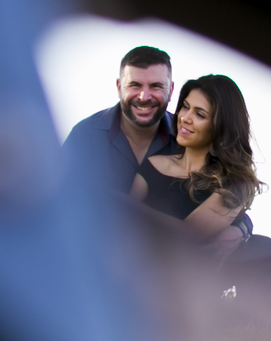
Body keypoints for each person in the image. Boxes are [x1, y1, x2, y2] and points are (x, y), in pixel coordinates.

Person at [63, 45, 253, 256]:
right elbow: (55, 203)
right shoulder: (86, 137)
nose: (144, 96)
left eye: (155, 86)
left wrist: (241, 229)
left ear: (170, 91)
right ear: (118, 87)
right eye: (134, 85)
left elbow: (223, 203)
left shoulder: (188, 137)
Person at [130, 72, 271, 304]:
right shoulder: (152, 164)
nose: (185, 118)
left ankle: (268, 315)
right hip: (143, 273)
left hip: (193, 279)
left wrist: (127, 205)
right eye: (185, 107)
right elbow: (120, 223)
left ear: (220, 127)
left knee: (261, 247)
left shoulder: (234, 181)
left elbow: (190, 234)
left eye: (199, 114)